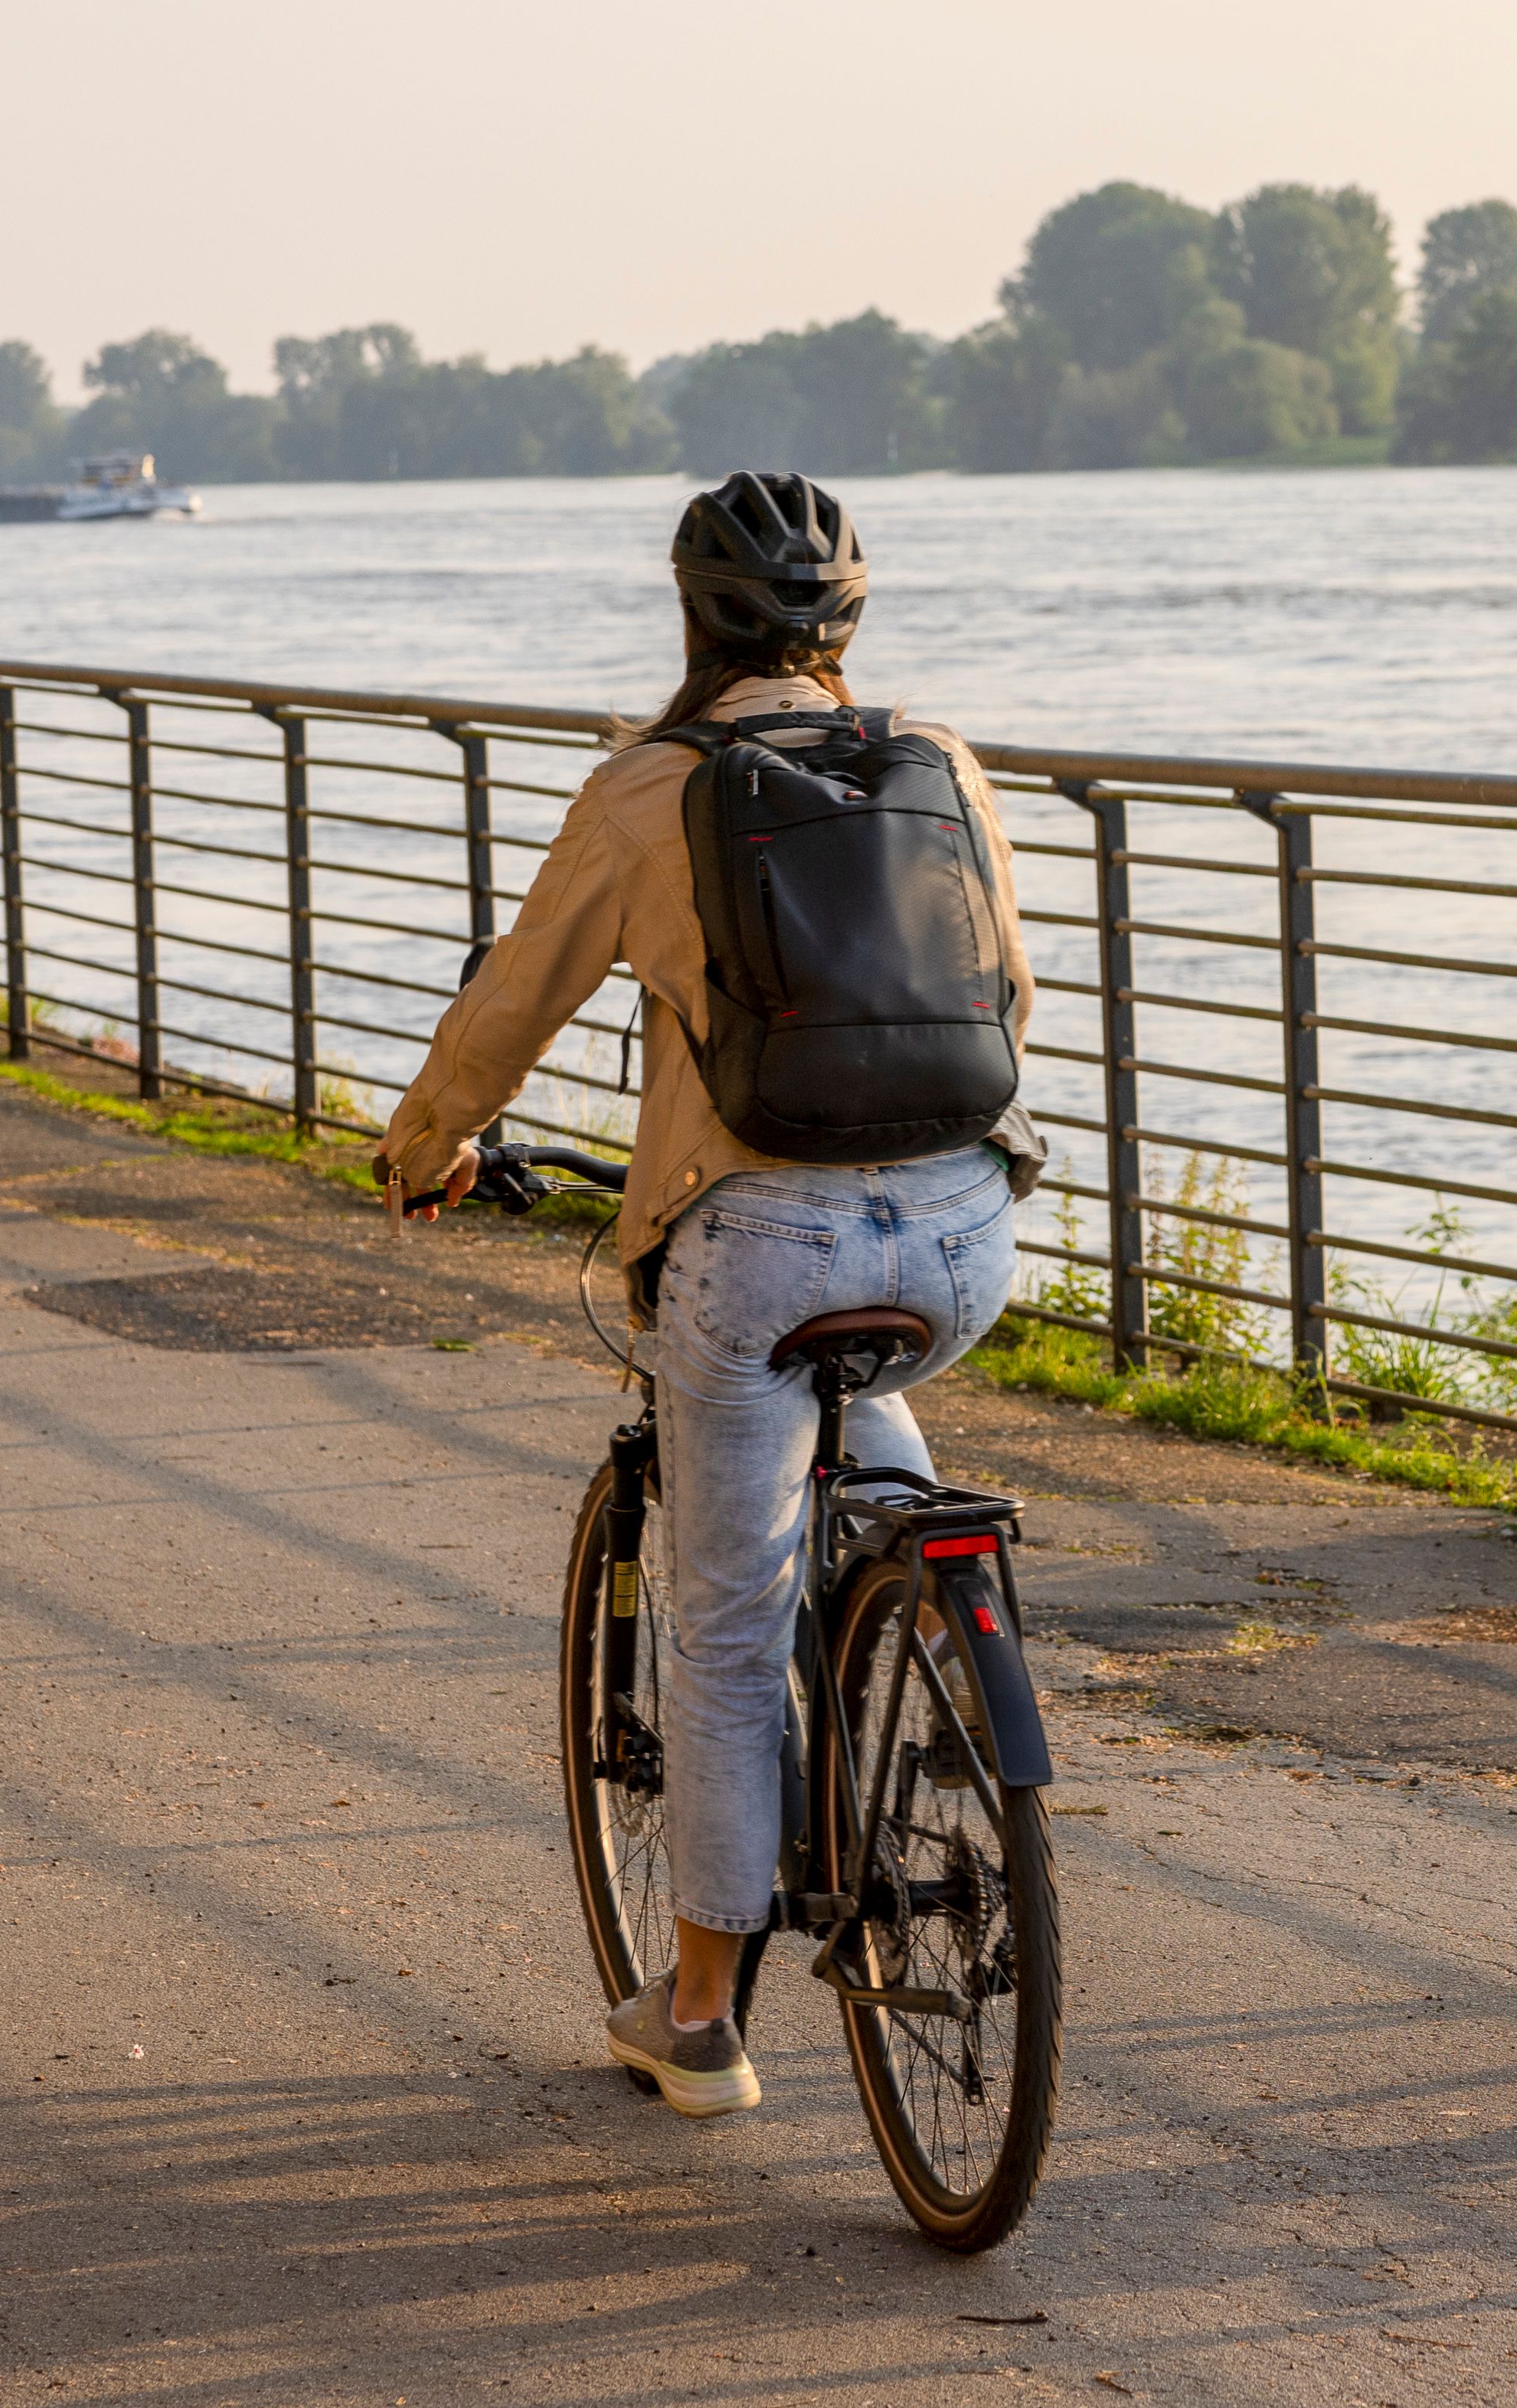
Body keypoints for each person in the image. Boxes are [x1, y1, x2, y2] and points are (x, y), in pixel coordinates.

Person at [377, 472, 1038, 2123]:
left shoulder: (648, 789)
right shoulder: (940, 760)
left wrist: (422, 1150)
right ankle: (919, 1601)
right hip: (964, 1233)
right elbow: (1009, 984)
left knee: (733, 1631)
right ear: (852, 626)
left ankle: (695, 2020)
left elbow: (511, 1006)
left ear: (690, 617)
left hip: (760, 1250)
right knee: (866, 1389)